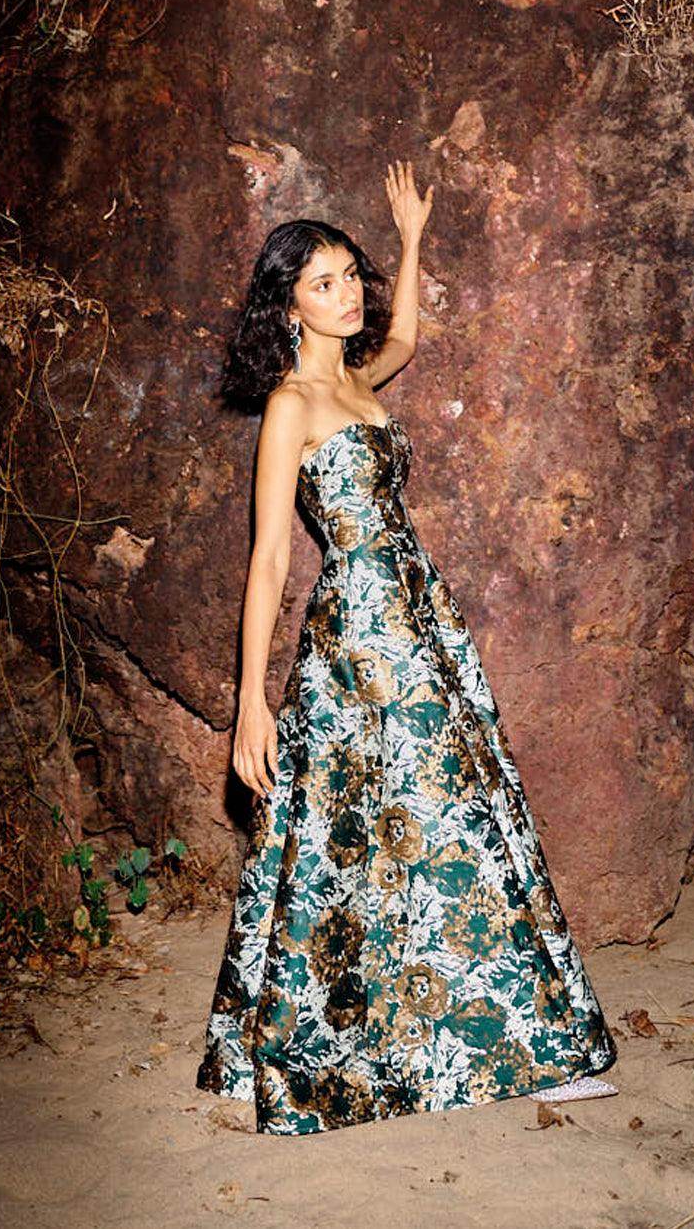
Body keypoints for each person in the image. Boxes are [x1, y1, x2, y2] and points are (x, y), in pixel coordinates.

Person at [196, 160, 618, 1135]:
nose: (347, 294)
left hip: (419, 614)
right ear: (288, 306)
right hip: (362, 633)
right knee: (433, 818)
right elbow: (269, 559)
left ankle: (501, 1037)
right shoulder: (291, 406)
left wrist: (414, 239)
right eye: (324, 283)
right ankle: (516, 1049)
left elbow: (408, 338)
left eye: (351, 274)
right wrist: (251, 700)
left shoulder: (353, 378)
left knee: (438, 815)